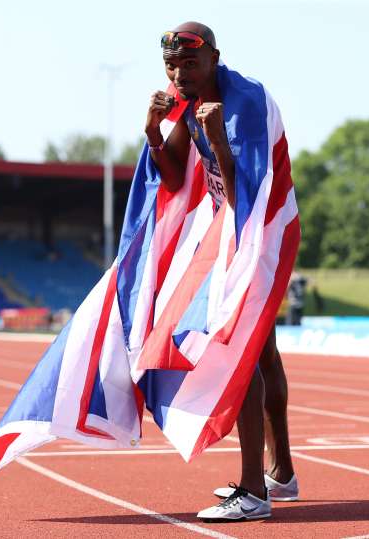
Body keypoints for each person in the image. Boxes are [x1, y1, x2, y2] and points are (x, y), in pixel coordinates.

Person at [145, 21, 297, 522]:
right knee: (263, 350)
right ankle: (282, 475)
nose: (179, 73)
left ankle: (253, 492)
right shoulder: (185, 100)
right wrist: (152, 130)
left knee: (240, 349)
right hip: (230, 228)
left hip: (263, 228)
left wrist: (216, 137)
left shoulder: (245, 102)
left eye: (189, 63)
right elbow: (170, 176)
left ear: (214, 58)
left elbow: (245, 197)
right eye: (171, 65)